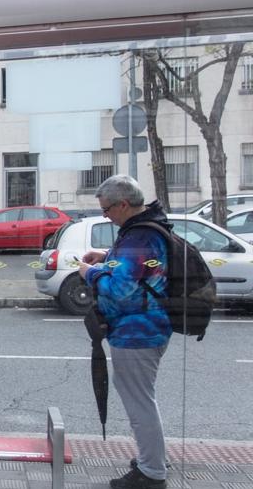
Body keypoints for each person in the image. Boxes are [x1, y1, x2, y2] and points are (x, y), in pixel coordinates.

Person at [77, 174, 171, 489]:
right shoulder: (144, 229)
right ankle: (151, 458)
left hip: (137, 332)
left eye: (106, 210)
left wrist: (90, 273)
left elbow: (121, 289)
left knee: (139, 403)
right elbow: (140, 268)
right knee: (143, 399)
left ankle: (151, 473)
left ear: (123, 204)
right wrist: (107, 257)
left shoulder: (139, 236)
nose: (105, 215)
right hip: (146, 328)